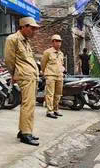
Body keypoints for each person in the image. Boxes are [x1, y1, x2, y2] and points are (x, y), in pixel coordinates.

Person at [5, 17, 42, 145]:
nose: (34, 32)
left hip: (31, 76)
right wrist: (14, 74)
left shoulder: (25, 41)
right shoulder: (13, 39)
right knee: (28, 105)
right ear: (23, 27)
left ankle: (23, 131)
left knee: (29, 104)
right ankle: (26, 133)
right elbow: (9, 60)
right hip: (24, 76)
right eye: (32, 28)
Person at [41, 34, 65, 119]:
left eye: (60, 41)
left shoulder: (61, 53)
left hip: (59, 76)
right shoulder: (47, 52)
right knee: (50, 94)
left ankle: (56, 109)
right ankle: (49, 111)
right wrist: (45, 73)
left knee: (58, 94)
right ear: (53, 42)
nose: (59, 43)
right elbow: (43, 64)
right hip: (50, 75)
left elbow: (61, 64)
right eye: (57, 41)